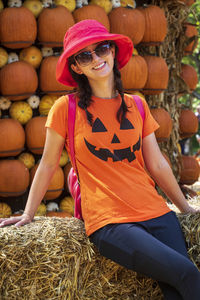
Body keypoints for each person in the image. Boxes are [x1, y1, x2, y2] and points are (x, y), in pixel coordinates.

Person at [0, 19, 200, 299]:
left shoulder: (138, 105)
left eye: (102, 48)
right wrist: (29, 213)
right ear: (76, 66)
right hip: (110, 221)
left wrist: (184, 208)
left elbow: (157, 164)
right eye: (85, 55)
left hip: (156, 213)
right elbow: (46, 164)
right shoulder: (65, 108)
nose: (96, 58)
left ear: (113, 51)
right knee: (188, 274)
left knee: (176, 288)